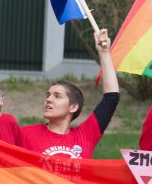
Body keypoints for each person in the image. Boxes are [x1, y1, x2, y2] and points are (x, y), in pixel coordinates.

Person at [19, 29, 120, 159]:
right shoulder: (26, 134)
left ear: (73, 107)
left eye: (57, 96)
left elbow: (111, 98)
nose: (48, 99)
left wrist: (104, 53)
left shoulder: (86, 135)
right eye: (48, 95)